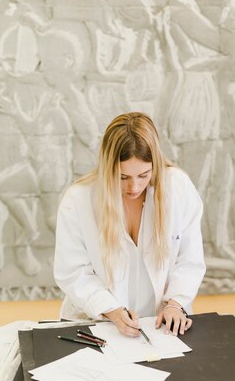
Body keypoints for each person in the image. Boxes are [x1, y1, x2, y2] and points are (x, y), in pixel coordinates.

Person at [54, 112, 205, 337]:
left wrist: (175, 304)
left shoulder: (178, 187)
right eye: (122, 177)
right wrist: (111, 310)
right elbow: (73, 272)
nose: (134, 187)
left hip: (161, 327)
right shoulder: (79, 200)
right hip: (98, 324)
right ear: (108, 167)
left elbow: (189, 259)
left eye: (144, 175)